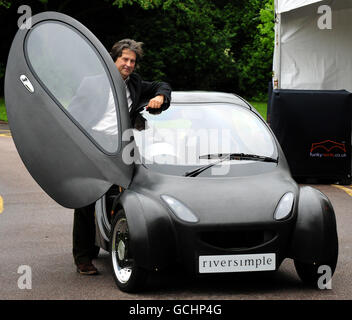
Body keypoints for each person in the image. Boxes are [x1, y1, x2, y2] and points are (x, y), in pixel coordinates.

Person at [73, 39, 172, 275]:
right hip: (94, 145)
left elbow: (163, 84)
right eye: (124, 59)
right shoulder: (92, 83)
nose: (128, 65)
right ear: (113, 59)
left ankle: (115, 241)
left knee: (123, 196)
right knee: (86, 200)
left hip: (121, 148)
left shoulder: (135, 83)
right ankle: (83, 257)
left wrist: (160, 97)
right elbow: (74, 113)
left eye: (132, 61)